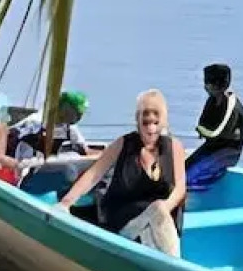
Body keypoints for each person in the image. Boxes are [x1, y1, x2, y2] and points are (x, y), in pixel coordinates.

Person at [55, 89, 188, 257]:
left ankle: (162, 264)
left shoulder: (174, 147)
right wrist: (65, 203)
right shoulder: (124, 144)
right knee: (157, 211)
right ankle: (173, 265)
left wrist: (164, 208)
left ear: (163, 122)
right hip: (124, 221)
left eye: (156, 123)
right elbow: (94, 174)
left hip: (159, 220)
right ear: (138, 121)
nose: (150, 128)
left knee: (157, 215)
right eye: (145, 123)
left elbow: (180, 189)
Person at [185, 63, 243, 190]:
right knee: (184, 168)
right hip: (213, 147)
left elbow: (217, 132)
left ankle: (203, 189)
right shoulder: (212, 100)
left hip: (229, 151)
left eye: (207, 83)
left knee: (190, 177)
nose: (205, 86)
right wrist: (203, 130)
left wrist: (203, 131)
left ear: (217, 84)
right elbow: (203, 123)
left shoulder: (231, 105)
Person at [9, 91, 90, 162]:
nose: (80, 117)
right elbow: (12, 137)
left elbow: (86, 150)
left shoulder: (70, 128)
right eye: (77, 112)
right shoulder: (36, 122)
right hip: (21, 162)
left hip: (47, 166)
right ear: (65, 108)